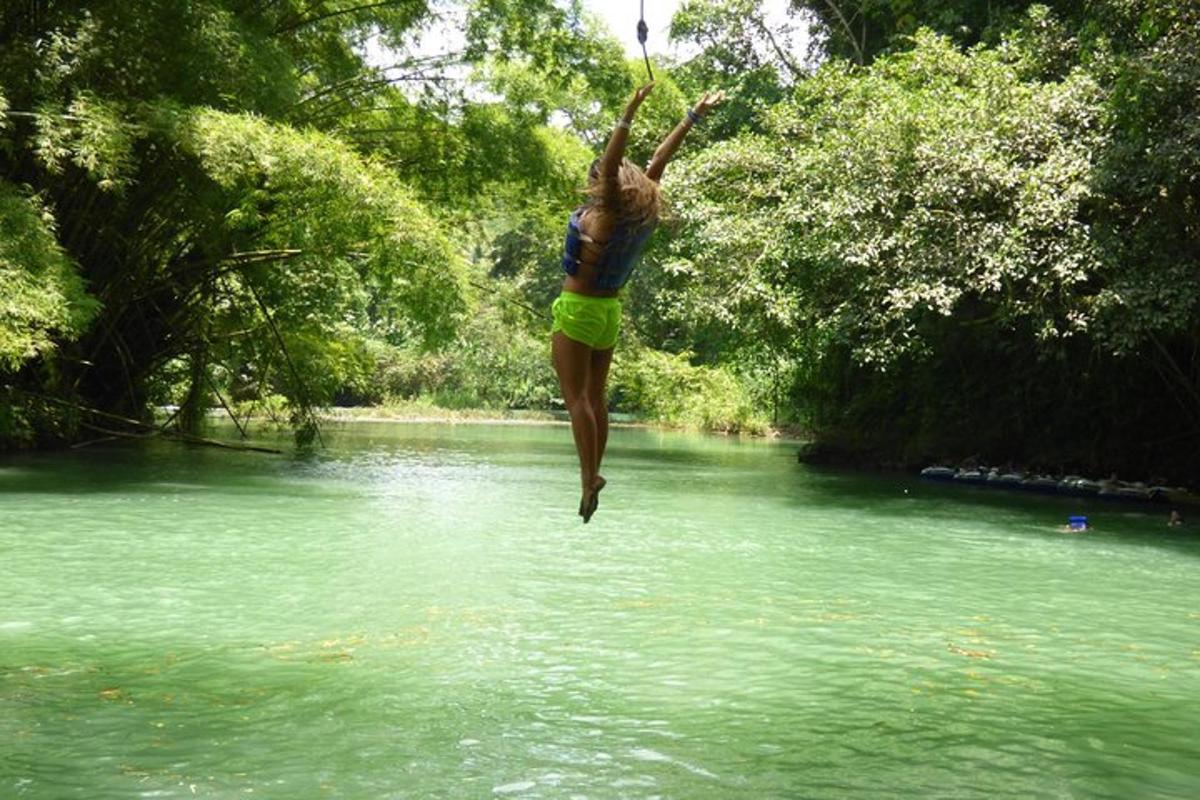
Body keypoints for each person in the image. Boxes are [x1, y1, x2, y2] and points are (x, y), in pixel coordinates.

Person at [551, 82, 725, 522]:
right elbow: (660, 160)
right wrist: (691, 116)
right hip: (609, 314)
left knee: (577, 400)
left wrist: (629, 112)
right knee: (597, 397)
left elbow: (611, 164)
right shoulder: (636, 214)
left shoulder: (606, 212)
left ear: (604, 182)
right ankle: (595, 472)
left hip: (578, 311)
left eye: (598, 177)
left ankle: (588, 477)